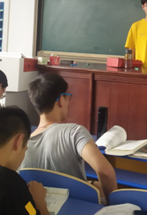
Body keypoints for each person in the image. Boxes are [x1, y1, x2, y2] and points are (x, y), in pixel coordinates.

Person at [21, 73, 117, 201]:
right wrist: (112, 203)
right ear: (61, 100)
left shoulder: (22, 144)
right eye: (68, 97)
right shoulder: (74, 132)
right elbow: (105, 172)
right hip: (79, 208)